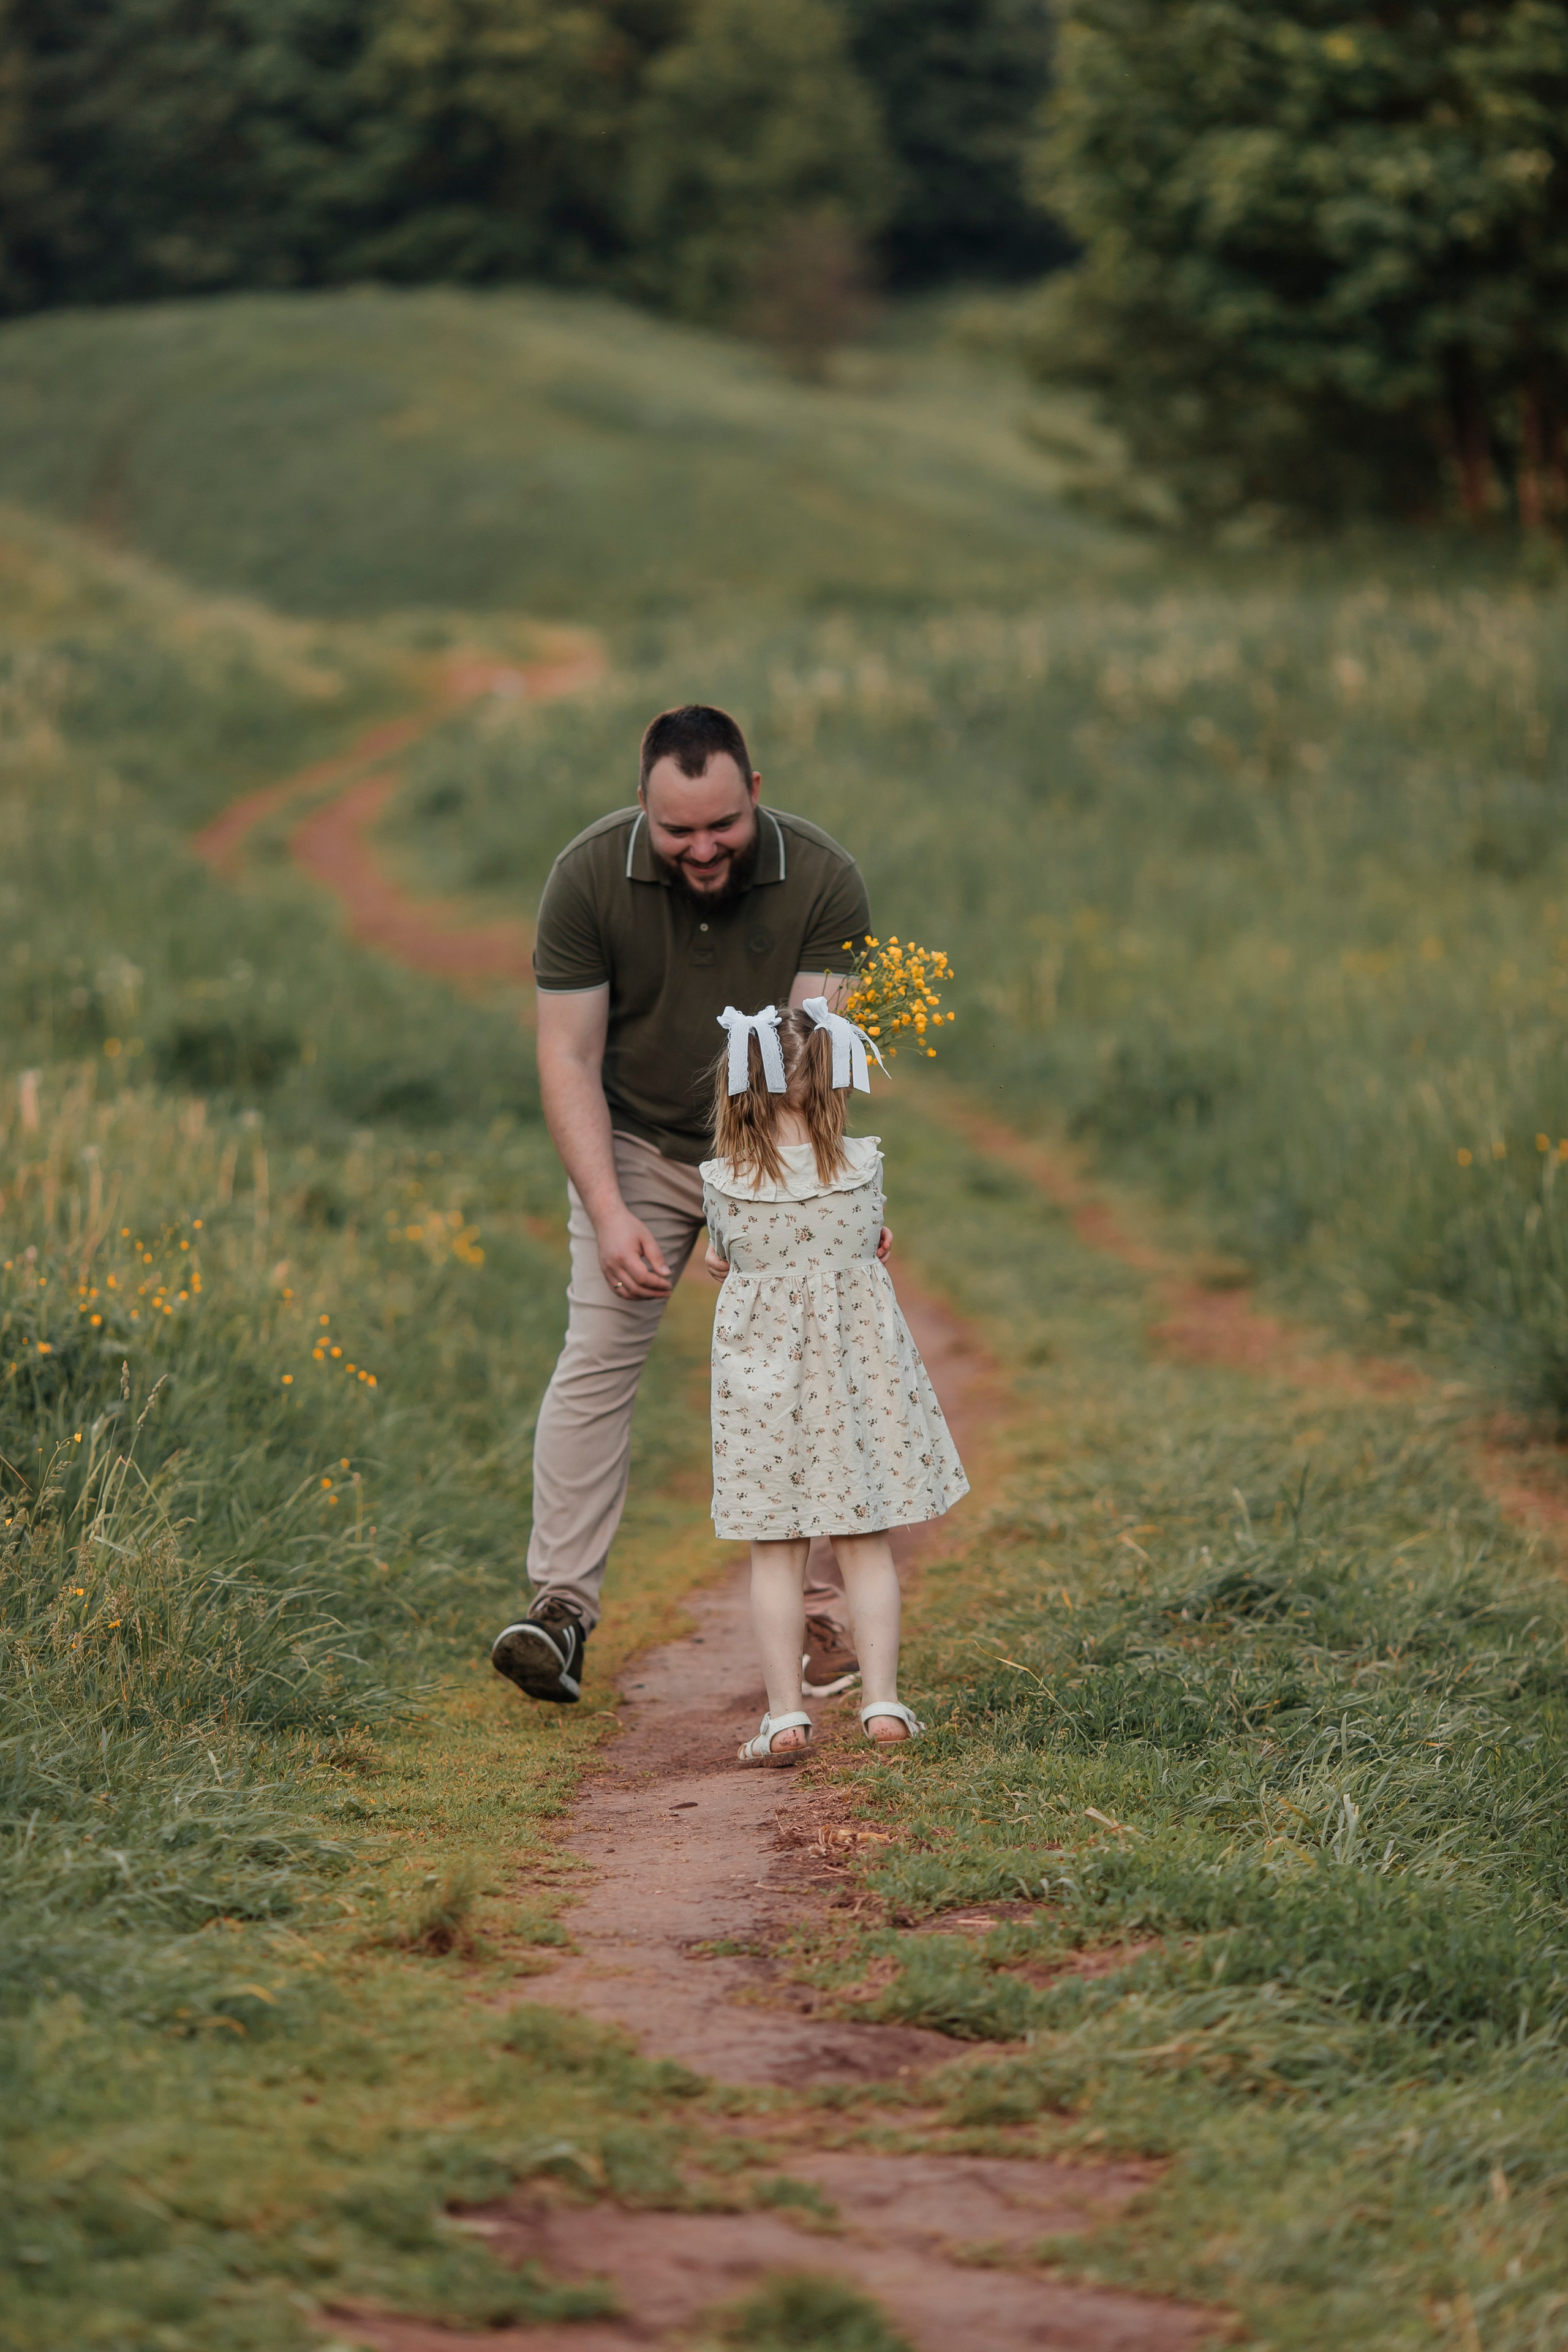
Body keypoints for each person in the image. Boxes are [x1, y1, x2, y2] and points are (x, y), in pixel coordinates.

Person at [491, 704, 871, 1706]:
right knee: (597, 1355)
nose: (701, 849)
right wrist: (612, 1210)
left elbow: (811, 1066)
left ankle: (826, 1626)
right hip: (639, 1143)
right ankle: (560, 1614)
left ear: (754, 792)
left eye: (721, 826)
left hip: (775, 1144)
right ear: (644, 809)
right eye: (676, 831)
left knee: (811, 1363)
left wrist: (784, 1201)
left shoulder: (825, 878)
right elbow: (567, 1058)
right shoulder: (585, 878)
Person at [700, 999, 968, 1763]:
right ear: (829, 1077)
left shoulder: (723, 1182)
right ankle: (882, 1705)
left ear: (738, 1085)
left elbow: (725, 1256)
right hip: (856, 1385)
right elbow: (870, 1237)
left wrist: (724, 1261)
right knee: (863, 1542)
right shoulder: (863, 1167)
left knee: (775, 1552)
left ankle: (785, 1717)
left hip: (766, 1390)